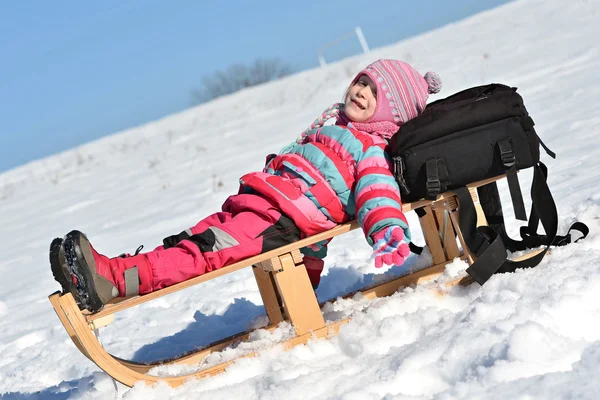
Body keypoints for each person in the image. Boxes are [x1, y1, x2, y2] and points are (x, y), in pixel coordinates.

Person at [49, 59, 442, 312]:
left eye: (375, 92)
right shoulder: (331, 128)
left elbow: (377, 192)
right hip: (258, 202)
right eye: (361, 81)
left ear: (393, 110)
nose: (360, 91)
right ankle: (114, 269)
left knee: (202, 252)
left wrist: (388, 231)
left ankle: (114, 280)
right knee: (191, 240)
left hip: (280, 220)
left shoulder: (369, 148)